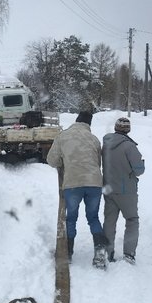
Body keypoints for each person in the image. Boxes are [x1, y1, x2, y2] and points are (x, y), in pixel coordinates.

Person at [47, 111, 109, 269]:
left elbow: (51, 160)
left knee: (71, 218)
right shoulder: (94, 139)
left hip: (73, 183)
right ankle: (100, 251)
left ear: (76, 121)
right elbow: (98, 163)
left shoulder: (63, 136)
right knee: (93, 218)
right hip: (94, 182)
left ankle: (67, 253)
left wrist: (64, 160)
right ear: (89, 124)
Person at [102, 117, 145, 264]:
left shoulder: (106, 143)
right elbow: (139, 170)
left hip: (108, 188)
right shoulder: (129, 147)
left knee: (109, 221)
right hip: (127, 191)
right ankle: (129, 254)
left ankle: (107, 252)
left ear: (115, 128)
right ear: (128, 130)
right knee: (132, 220)